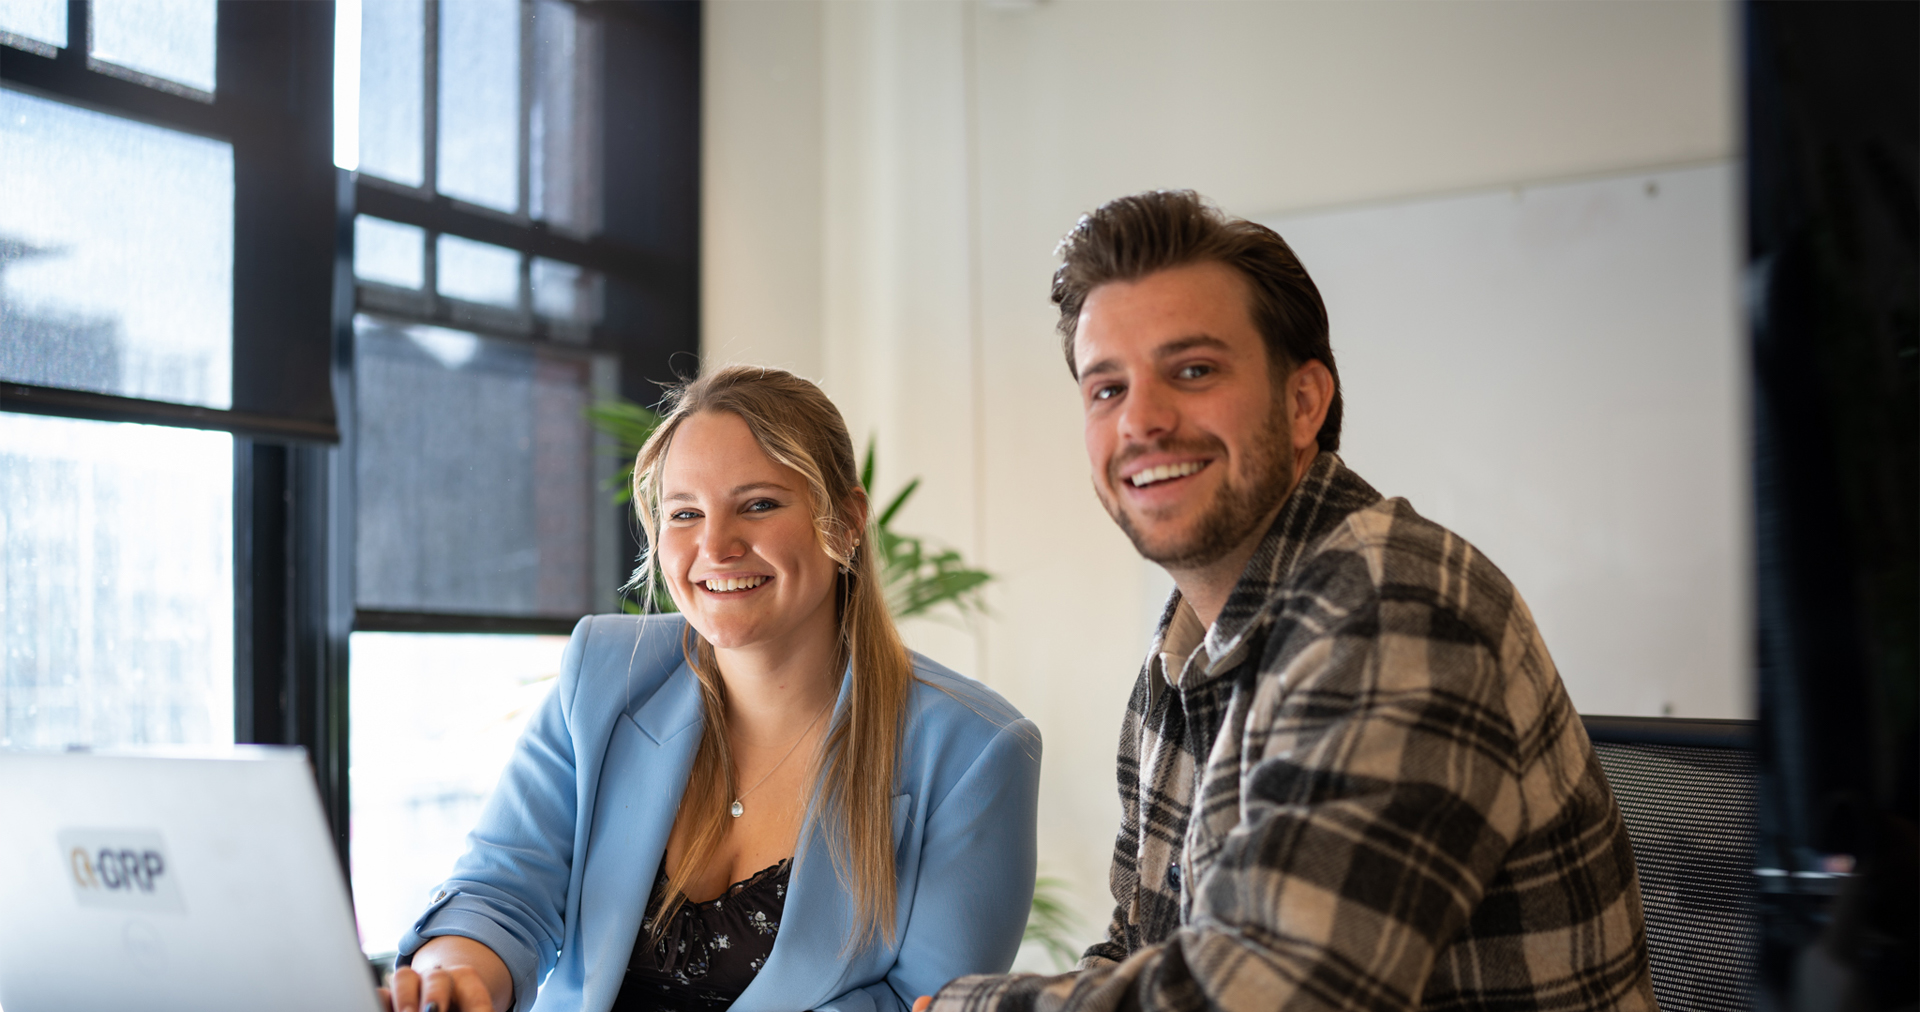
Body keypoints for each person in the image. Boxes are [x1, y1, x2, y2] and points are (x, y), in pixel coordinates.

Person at [924, 191, 1655, 1012]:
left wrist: (956, 1009)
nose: (1143, 421)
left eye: (1192, 371)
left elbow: (1276, 994)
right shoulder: (1178, 662)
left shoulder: (1395, 606)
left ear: (1303, 402)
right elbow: (1141, 952)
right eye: (1106, 389)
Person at [386, 366, 1042, 1012]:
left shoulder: (976, 753)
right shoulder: (603, 674)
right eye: (684, 513)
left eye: (758, 505)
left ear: (844, 523)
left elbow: (919, 1003)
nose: (716, 545)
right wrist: (457, 972)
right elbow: (503, 890)